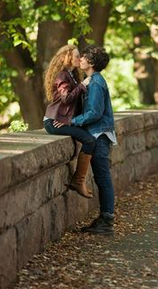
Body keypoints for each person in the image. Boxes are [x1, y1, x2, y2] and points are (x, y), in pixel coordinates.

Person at [70, 45, 117, 235]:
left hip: (99, 134)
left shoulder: (96, 82)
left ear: (91, 62)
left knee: (103, 177)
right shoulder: (93, 80)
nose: (80, 59)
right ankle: (105, 219)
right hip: (98, 133)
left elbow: (95, 113)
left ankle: (107, 222)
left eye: (83, 57)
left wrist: (72, 121)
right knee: (102, 177)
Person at [43, 44, 96, 199]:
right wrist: (83, 85)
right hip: (53, 122)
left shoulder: (71, 74)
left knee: (90, 139)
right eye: (76, 56)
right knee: (89, 140)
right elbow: (66, 98)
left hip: (61, 120)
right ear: (67, 57)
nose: (79, 58)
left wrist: (71, 120)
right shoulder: (62, 76)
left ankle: (79, 181)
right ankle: (78, 181)